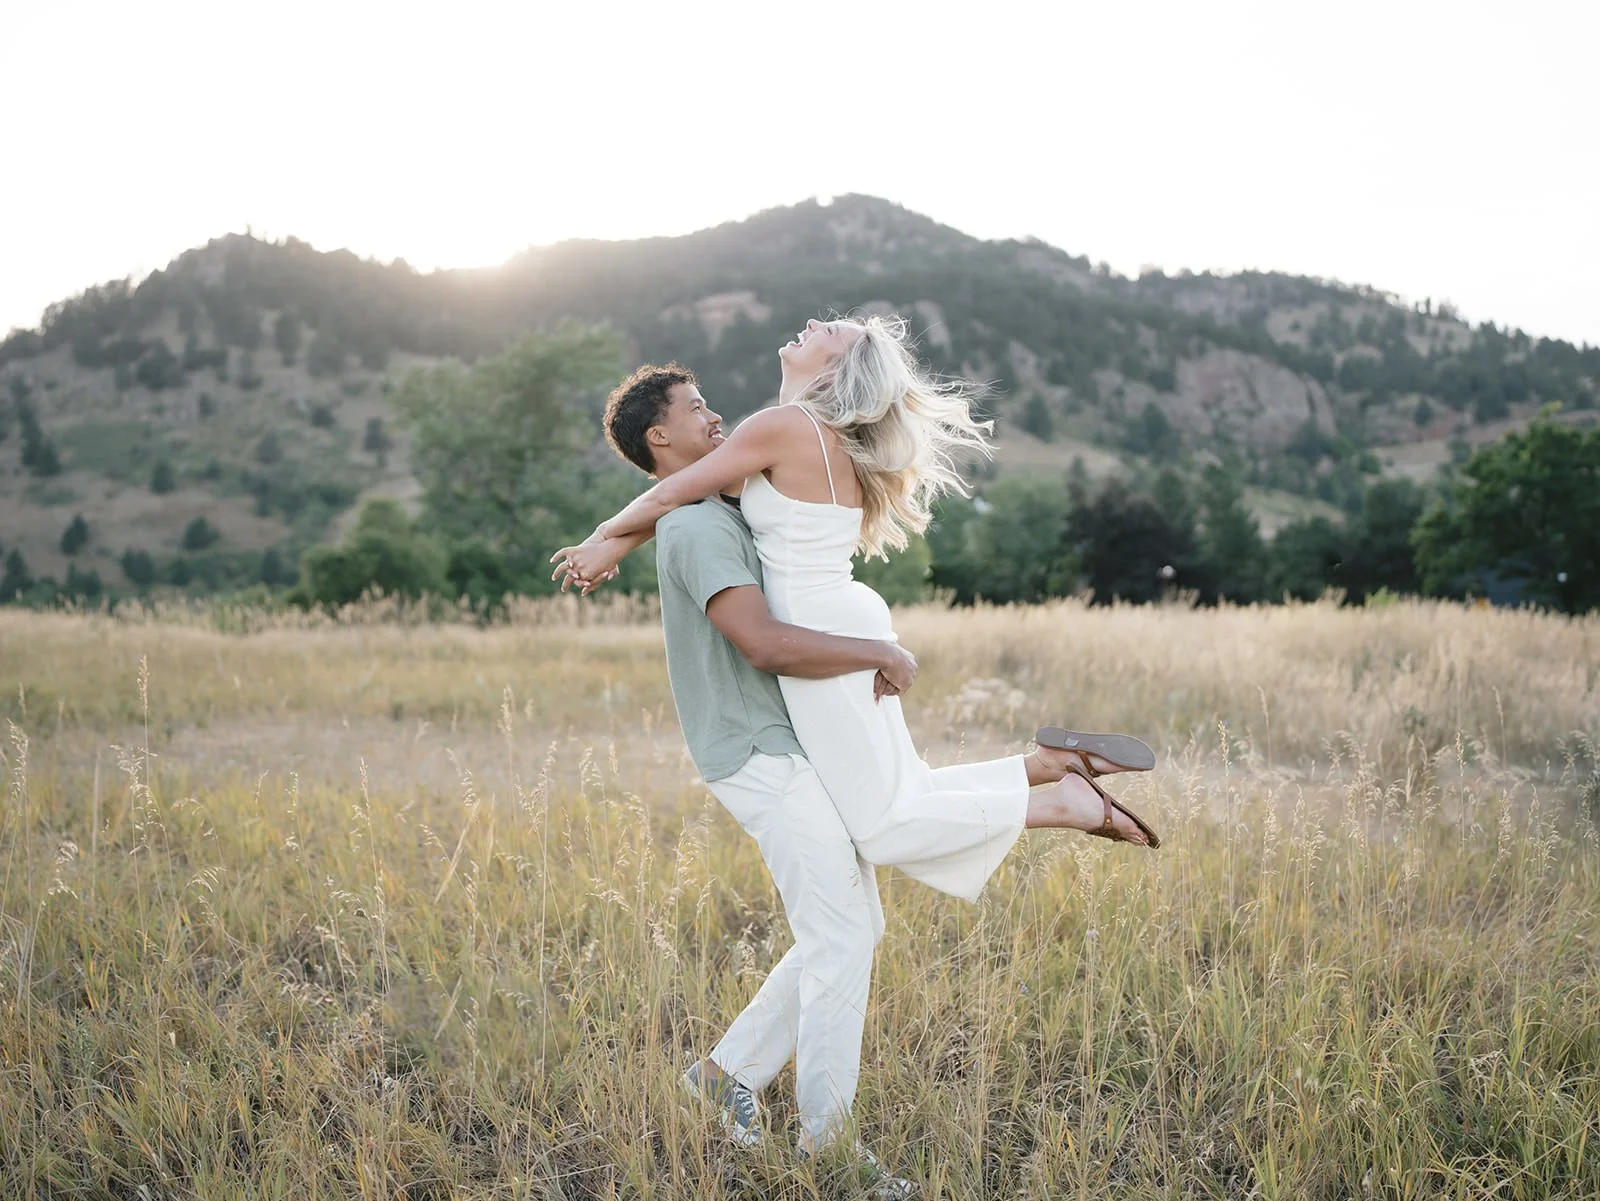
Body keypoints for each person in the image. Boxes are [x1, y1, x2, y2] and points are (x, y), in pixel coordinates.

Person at [556, 359, 1159, 1193]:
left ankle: (719, 1079)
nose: (716, 415)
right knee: (847, 924)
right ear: (660, 436)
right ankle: (828, 1145)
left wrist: (608, 540)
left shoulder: (709, 508)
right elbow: (763, 642)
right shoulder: (699, 530)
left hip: (785, 742)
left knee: (856, 925)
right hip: (758, 755)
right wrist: (875, 649)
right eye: (697, 411)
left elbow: (658, 508)